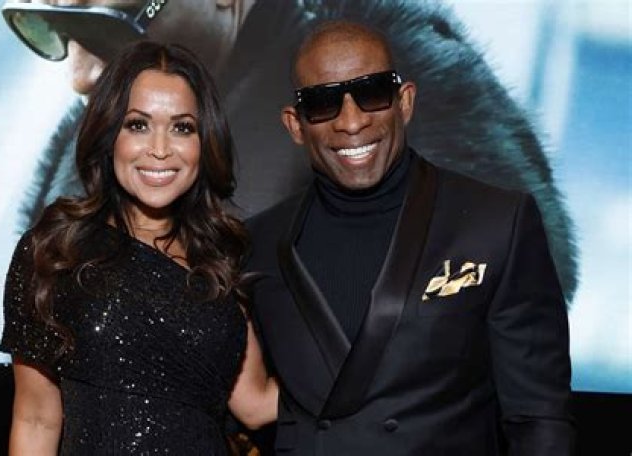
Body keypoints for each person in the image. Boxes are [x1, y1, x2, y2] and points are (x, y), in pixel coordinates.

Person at [0, 0, 578, 303]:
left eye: (108, 26)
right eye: (50, 25)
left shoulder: (379, 92)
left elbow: (524, 279)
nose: (79, 75)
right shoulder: (87, 157)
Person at [246, 21, 575, 455]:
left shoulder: (497, 223)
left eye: (372, 93)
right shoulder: (257, 244)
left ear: (404, 102)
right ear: (295, 124)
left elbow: (539, 420)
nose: (352, 121)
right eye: (323, 103)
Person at [0, 41, 277, 454]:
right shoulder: (58, 250)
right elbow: (36, 417)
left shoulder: (220, 256)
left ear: (204, 142)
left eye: (182, 128)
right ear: (109, 134)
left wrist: (373, 361)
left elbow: (254, 404)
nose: (160, 149)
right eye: (138, 125)